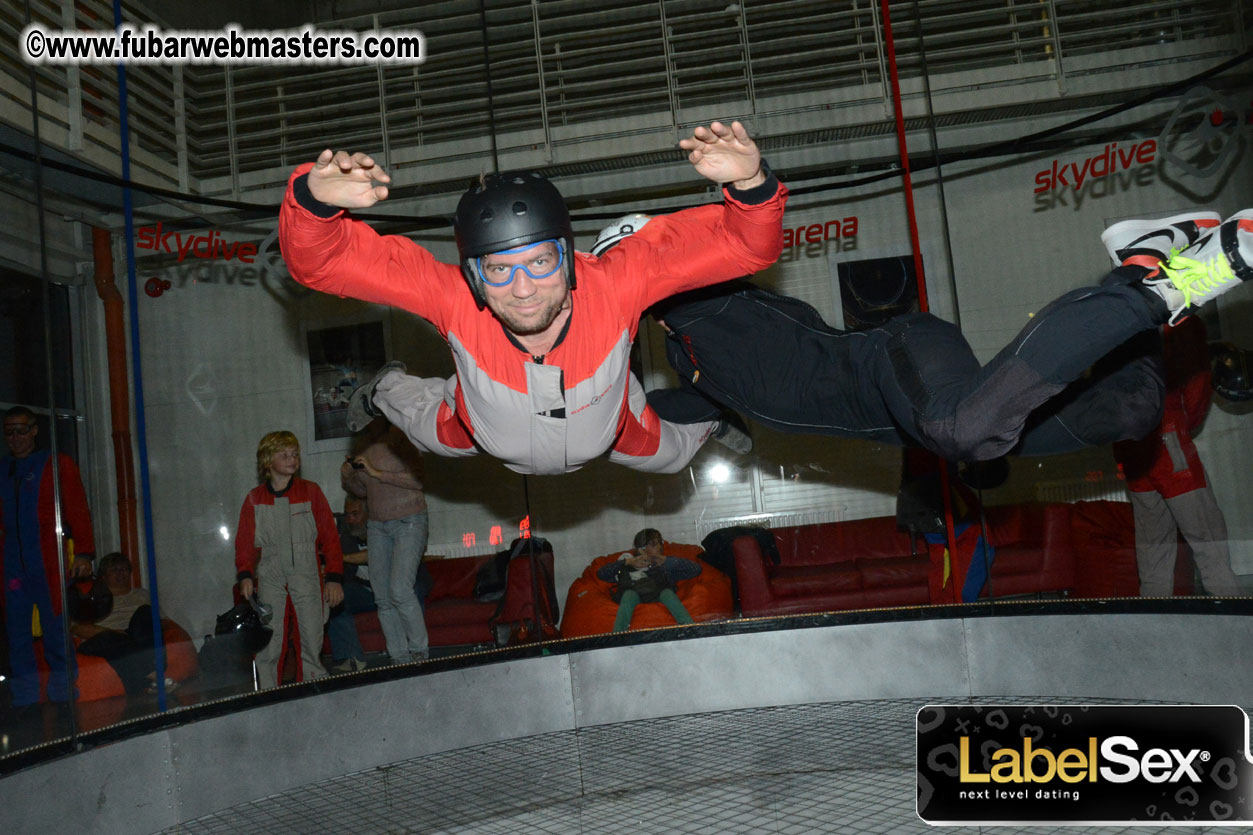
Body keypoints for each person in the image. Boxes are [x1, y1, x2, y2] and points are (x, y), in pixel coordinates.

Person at [277, 121, 782, 476]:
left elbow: (744, 246)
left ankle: (711, 418)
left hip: (609, 425)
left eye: (539, 263)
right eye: (498, 270)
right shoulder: (453, 299)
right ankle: (383, 387)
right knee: (421, 424)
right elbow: (319, 263)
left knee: (670, 457)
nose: (521, 289)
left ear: (566, 254)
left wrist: (750, 183)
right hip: (473, 429)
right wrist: (313, 202)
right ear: (474, 275)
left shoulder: (617, 284)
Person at [592, 209, 1253, 461]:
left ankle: (1175, 276)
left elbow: (710, 253)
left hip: (896, 356)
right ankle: (1140, 264)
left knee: (963, 428)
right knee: (1126, 410)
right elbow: (632, 418)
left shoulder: (712, 301)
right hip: (906, 419)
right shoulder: (692, 363)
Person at [1112, 317, 1242, 597]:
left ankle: (1156, 625)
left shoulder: (1120, 323)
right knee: (1208, 541)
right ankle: (1235, 620)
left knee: (1153, 552)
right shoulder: (1184, 322)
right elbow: (1197, 384)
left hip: (1130, 446)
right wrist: (1184, 424)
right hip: (1168, 440)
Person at [2, 406, 95, 709]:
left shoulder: (57, 464)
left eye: (21, 429)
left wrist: (83, 552)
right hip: (12, 564)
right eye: (9, 431)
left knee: (56, 630)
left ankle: (63, 697)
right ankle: (25, 700)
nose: (15, 437)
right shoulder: (2, 469)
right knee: (16, 634)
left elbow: (77, 509)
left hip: (49, 561)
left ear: (34, 430)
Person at [235, 431, 343, 689]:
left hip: (306, 568)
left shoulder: (311, 492)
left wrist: (334, 578)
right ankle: (268, 690)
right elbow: (244, 542)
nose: (292, 459)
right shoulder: (254, 499)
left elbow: (330, 537)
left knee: (312, 630)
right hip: (270, 569)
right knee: (270, 635)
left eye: (294, 454)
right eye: (283, 454)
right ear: (267, 461)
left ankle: (313, 685)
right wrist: (245, 574)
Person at [340, 420, 431, 664]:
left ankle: (420, 652)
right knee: (382, 596)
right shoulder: (364, 447)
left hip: (409, 521)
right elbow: (362, 491)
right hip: (377, 525)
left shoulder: (404, 439)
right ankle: (399, 657)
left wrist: (376, 472)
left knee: (400, 589)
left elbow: (418, 481)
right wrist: (349, 478)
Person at [325, 493, 433, 671]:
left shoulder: (390, 529)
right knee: (335, 600)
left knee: (409, 593)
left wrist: (344, 557)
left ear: (369, 513)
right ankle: (351, 658)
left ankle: (417, 653)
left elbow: (378, 556)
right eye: (348, 515)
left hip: (402, 587)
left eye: (355, 514)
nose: (350, 519)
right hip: (366, 590)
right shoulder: (347, 533)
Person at [71, 552, 170, 695]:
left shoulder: (142, 594)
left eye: (123, 569)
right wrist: (115, 633)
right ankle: (155, 676)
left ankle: (148, 679)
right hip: (103, 638)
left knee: (145, 611)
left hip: (134, 637)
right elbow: (77, 627)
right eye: (114, 570)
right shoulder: (91, 598)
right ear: (103, 576)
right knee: (110, 639)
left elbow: (164, 622)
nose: (120, 574)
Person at [596, 528, 701, 632]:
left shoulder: (664, 566)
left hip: (659, 594)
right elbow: (601, 573)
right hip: (634, 596)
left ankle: (690, 629)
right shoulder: (628, 563)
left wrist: (667, 561)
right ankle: (617, 636)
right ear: (641, 549)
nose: (660, 547)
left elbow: (696, 569)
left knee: (668, 593)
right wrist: (627, 562)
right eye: (654, 544)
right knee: (628, 595)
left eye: (661, 542)